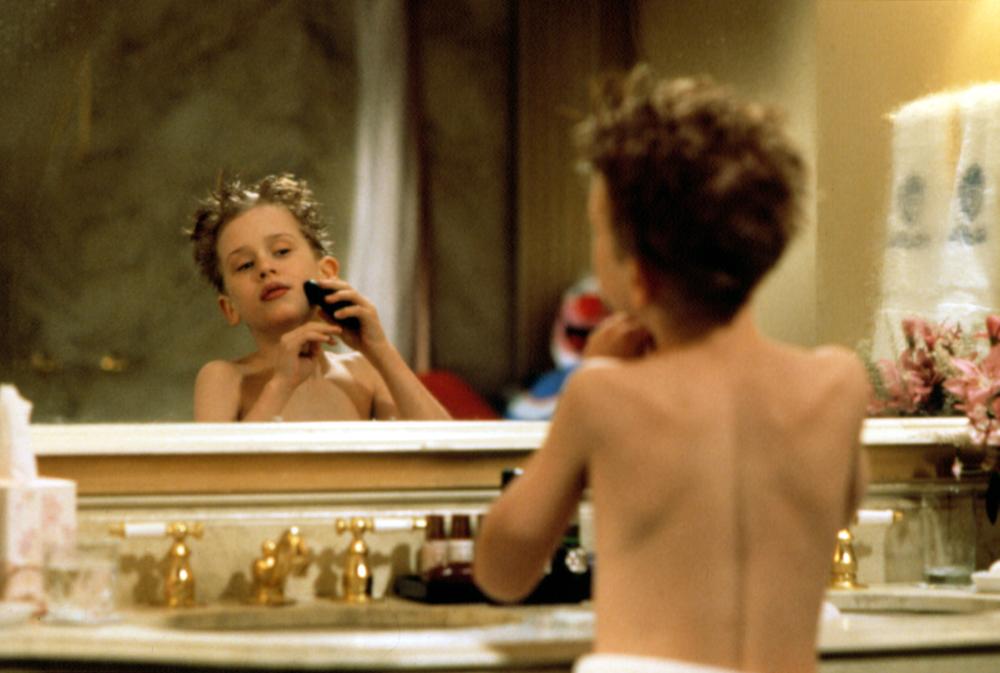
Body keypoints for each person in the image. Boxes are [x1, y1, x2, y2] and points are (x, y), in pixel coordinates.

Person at [474, 66, 870, 673]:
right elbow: (828, 510)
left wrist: (590, 382)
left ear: (638, 275)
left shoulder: (603, 395)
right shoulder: (838, 386)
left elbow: (502, 572)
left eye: (598, 232)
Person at [186, 173, 450, 422]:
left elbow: (450, 446)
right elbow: (220, 458)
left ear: (326, 273)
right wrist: (281, 385)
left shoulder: (364, 374)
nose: (265, 268)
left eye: (281, 251)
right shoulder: (225, 378)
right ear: (229, 308)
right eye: (244, 265)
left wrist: (381, 351)